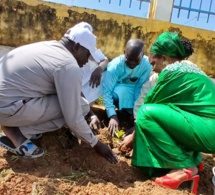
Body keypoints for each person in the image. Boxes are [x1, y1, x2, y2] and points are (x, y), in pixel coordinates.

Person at [0, 26, 118, 164]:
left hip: (9, 101)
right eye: (87, 55)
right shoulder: (68, 65)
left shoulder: (49, 47)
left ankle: (17, 125)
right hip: (7, 108)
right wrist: (96, 144)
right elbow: (73, 118)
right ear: (77, 47)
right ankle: (19, 132)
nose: (87, 60)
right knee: (81, 107)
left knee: (72, 103)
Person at [120, 32, 215, 194]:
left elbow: (150, 109)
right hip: (207, 129)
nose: (152, 67)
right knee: (173, 116)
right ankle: (192, 159)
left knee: (147, 112)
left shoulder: (172, 72)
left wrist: (133, 136)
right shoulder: (191, 69)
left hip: (208, 132)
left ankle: (183, 167)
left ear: (164, 58)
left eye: (153, 62)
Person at [102, 39, 152, 136]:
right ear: (124, 53)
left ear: (142, 55)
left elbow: (139, 88)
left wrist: (135, 115)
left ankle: (129, 115)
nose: (132, 63)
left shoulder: (147, 65)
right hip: (118, 88)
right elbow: (107, 90)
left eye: (136, 60)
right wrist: (112, 115)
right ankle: (119, 113)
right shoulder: (116, 65)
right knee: (114, 97)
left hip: (135, 89)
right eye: (129, 59)